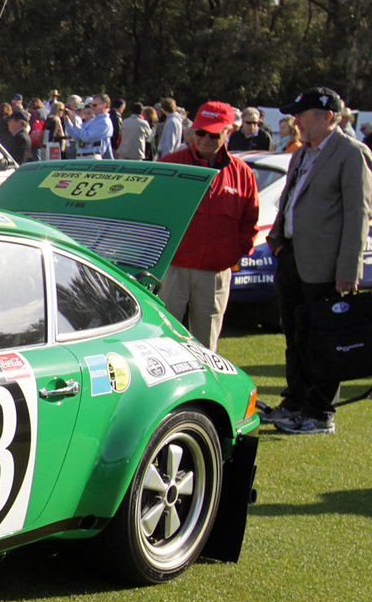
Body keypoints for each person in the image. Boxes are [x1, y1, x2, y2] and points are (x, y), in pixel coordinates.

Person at [260, 87, 372, 435]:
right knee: (294, 336)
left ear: (327, 117)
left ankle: (320, 414)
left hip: (325, 266)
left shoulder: (351, 153)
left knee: (323, 340)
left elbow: (359, 215)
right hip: (292, 257)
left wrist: (348, 270)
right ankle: (294, 402)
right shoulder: (302, 152)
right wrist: (278, 240)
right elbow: (291, 198)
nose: (295, 122)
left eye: (303, 115)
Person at [158, 101, 259, 350]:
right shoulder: (171, 164)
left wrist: (233, 254)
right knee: (162, 341)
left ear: (228, 132)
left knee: (206, 346)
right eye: (200, 132)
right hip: (174, 269)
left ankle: (205, 388)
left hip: (214, 273)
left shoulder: (242, 172)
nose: (205, 139)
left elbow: (250, 219)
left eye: (213, 134)